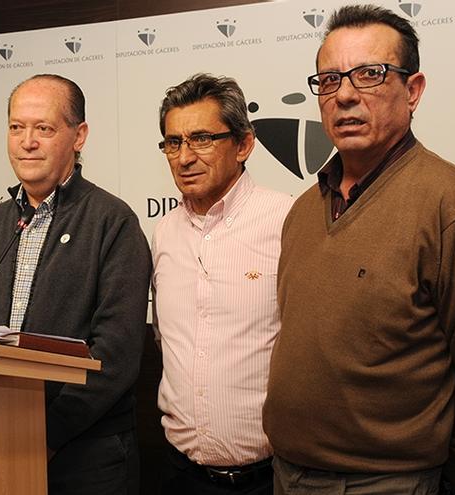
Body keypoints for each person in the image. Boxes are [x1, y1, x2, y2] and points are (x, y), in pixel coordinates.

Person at [263, 5, 455, 494]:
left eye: (370, 75)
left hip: (389, 483)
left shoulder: (453, 208)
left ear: (413, 90)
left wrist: (442, 477)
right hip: (288, 475)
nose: (346, 96)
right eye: (330, 80)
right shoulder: (303, 210)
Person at [0, 74, 151, 495]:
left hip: (88, 456)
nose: (27, 142)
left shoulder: (113, 222)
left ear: (79, 136)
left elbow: (114, 357)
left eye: (43, 128)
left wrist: (44, 434)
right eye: (16, 127)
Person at [151, 73, 293, 495]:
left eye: (202, 139)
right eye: (173, 143)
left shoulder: (286, 220)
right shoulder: (163, 234)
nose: (184, 157)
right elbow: (166, 340)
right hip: (180, 474)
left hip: (268, 479)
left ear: (244, 144)